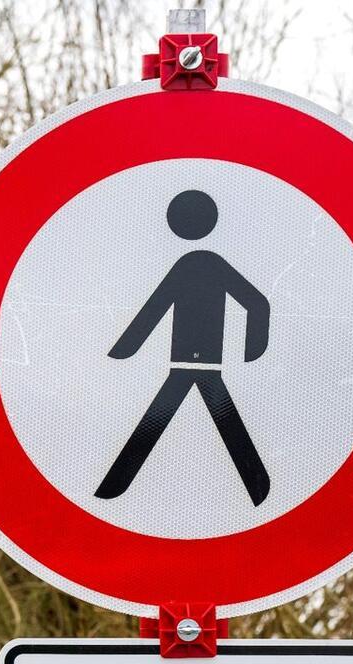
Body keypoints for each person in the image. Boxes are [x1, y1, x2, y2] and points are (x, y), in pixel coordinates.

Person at [95, 189, 273, 507]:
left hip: (193, 363)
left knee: (166, 419)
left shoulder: (194, 265)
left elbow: (154, 309)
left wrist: (125, 349)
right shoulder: (206, 264)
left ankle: (112, 487)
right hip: (199, 364)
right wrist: (252, 348)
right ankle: (259, 490)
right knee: (214, 419)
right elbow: (257, 304)